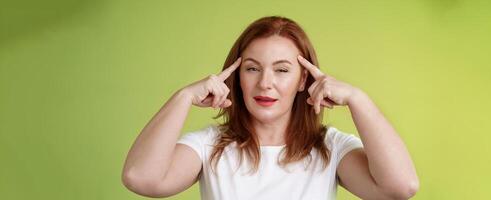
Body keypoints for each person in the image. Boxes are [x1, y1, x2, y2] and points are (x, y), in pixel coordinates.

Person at [122, 16, 419, 200]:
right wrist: (183, 97)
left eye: (281, 70)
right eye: (252, 69)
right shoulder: (209, 146)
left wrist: (358, 98)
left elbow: (400, 187)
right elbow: (140, 178)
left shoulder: (331, 148)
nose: (265, 83)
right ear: (237, 78)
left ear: (303, 79)